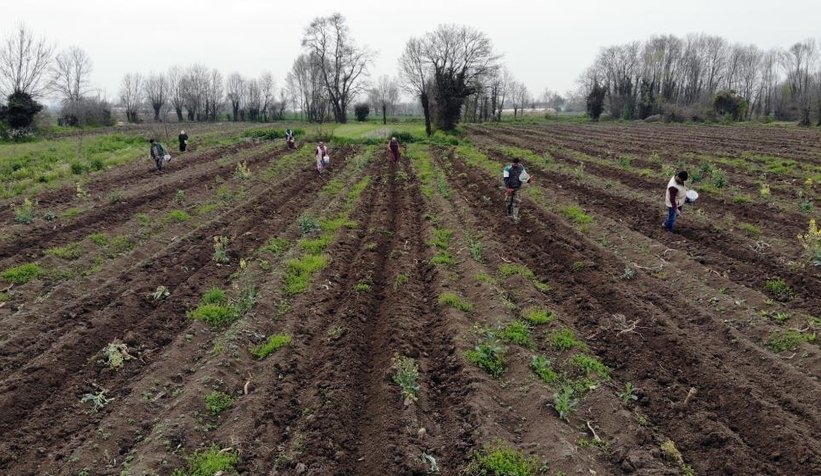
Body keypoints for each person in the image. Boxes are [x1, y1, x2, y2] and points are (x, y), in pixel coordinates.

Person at [503, 157, 531, 223]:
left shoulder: (521, 167)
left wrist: (528, 179)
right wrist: (508, 188)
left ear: (518, 163)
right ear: (512, 163)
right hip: (510, 188)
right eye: (515, 164)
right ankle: (509, 214)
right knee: (508, 202)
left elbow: (525, 176)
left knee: (516, 202)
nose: (516, 165)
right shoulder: (507, 168)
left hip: (517, 188)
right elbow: (505, 179)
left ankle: (515, 217)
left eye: (517, 164)